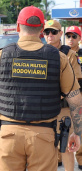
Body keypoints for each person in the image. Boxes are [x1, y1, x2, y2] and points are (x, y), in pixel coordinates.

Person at [0, 6, 82, 171]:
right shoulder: (59, 58)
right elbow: (76, 100)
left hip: (8, 135)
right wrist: (77, 133)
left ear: (18, 27)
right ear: (41, 30)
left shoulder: (0, 56)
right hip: (44, 136)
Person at [43, 20, 82, 171]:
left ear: (60, 34)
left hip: (63, 107)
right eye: (47, 32)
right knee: (46, 145)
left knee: (65, 144)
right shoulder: (39, 52)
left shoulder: (70, 54)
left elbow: (75, 82)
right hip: (44, 106)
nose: (50, 35)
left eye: (54, 32)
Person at [65, 26, 82, 170]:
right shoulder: (62, 52)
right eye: (68, 36)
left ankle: (81, 159)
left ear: (79, 38)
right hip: (65, 98)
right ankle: (59, 157)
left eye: (74, 36)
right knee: (62, 127)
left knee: (79, 128)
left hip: (80, 94)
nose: (71, 39)